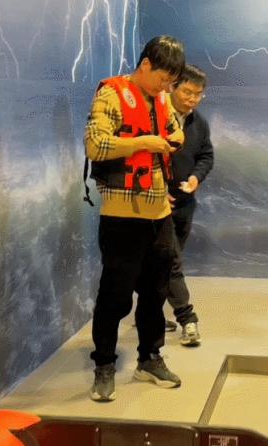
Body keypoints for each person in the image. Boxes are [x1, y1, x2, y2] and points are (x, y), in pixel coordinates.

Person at [84, 35, 185, 402]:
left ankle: (149, 358)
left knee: (156, 293)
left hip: (160, 214)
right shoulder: (111, 94)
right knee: (114, 296)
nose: (166, 87)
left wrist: (173, 137)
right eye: (163, 78)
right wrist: (144, 142)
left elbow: (175, 130)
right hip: (122, 217)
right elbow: (95, 145)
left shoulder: (162, 99)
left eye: (171, 82)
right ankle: (104, 365)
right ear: (145, 65)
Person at [162, 64, 214, 346]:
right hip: (158, 204)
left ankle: (151, 313)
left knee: (166, 262)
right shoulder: (157, 116)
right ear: (173, 87)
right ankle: (187, 319)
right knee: (172, 262)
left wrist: (196, 178)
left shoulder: (199, 123)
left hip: (186, 203)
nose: (193, 99)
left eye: (198, 94)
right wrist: (157, 190)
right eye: (187, 92)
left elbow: (206, 155)